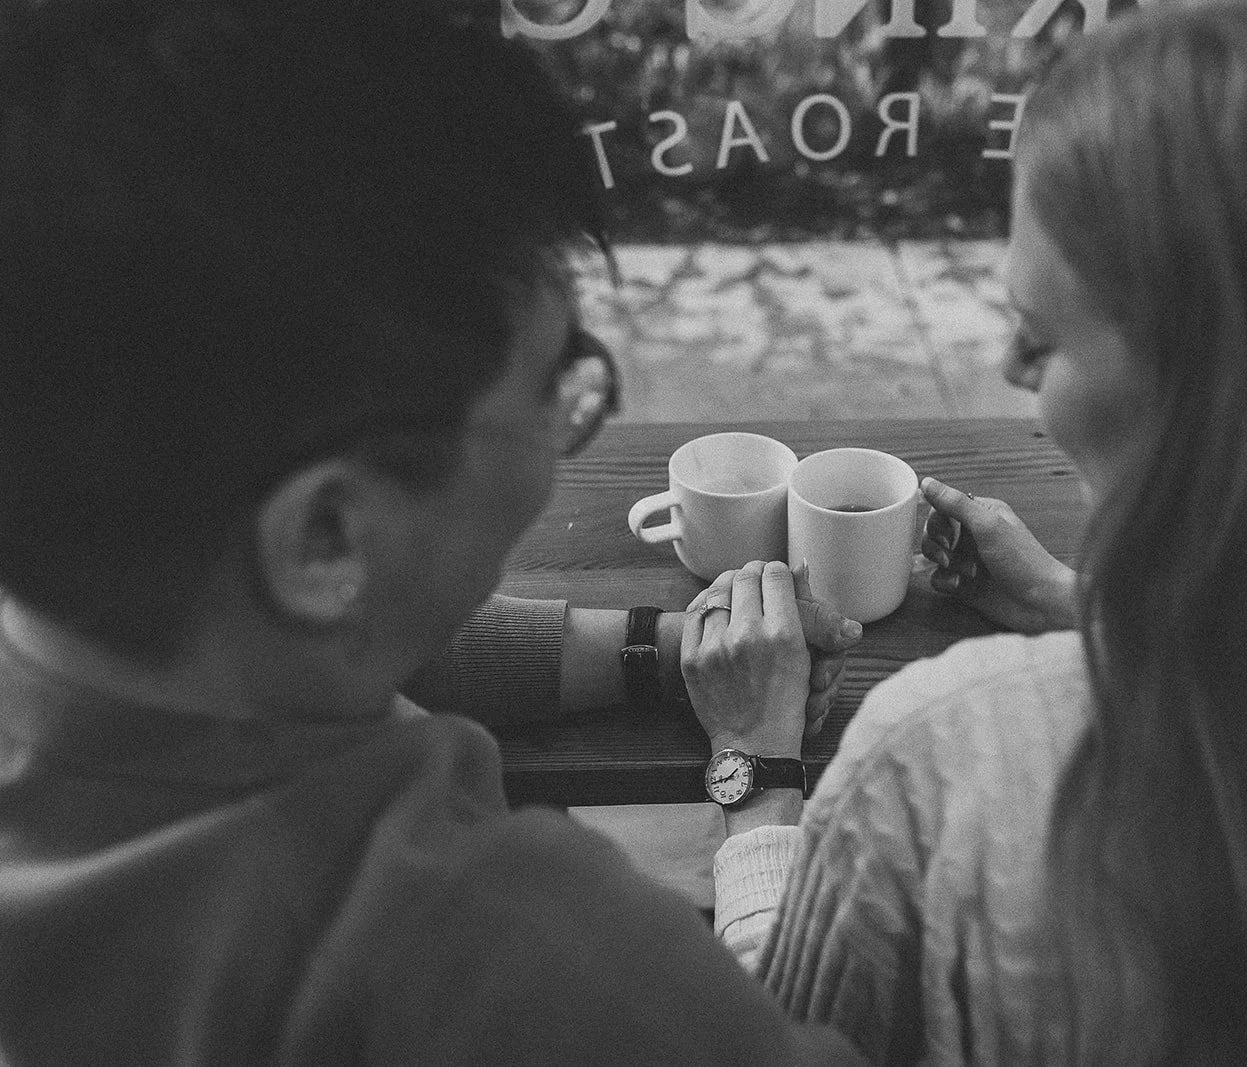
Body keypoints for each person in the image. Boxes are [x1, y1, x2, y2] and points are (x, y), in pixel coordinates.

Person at [697, 0, 1247, 1061]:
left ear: (1226, 396)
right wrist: (1078, 603)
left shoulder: (949, 763)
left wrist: (753, 777)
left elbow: (769, 1043)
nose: (1007, 371)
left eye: (1038, 335)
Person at [0, 0, 867, 1061]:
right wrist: (758, 781)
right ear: (326, 534)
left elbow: (301, 638)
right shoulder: (496, 946)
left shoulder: (101, 598)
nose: (567, 419)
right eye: (559, 384)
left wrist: (661, 647)